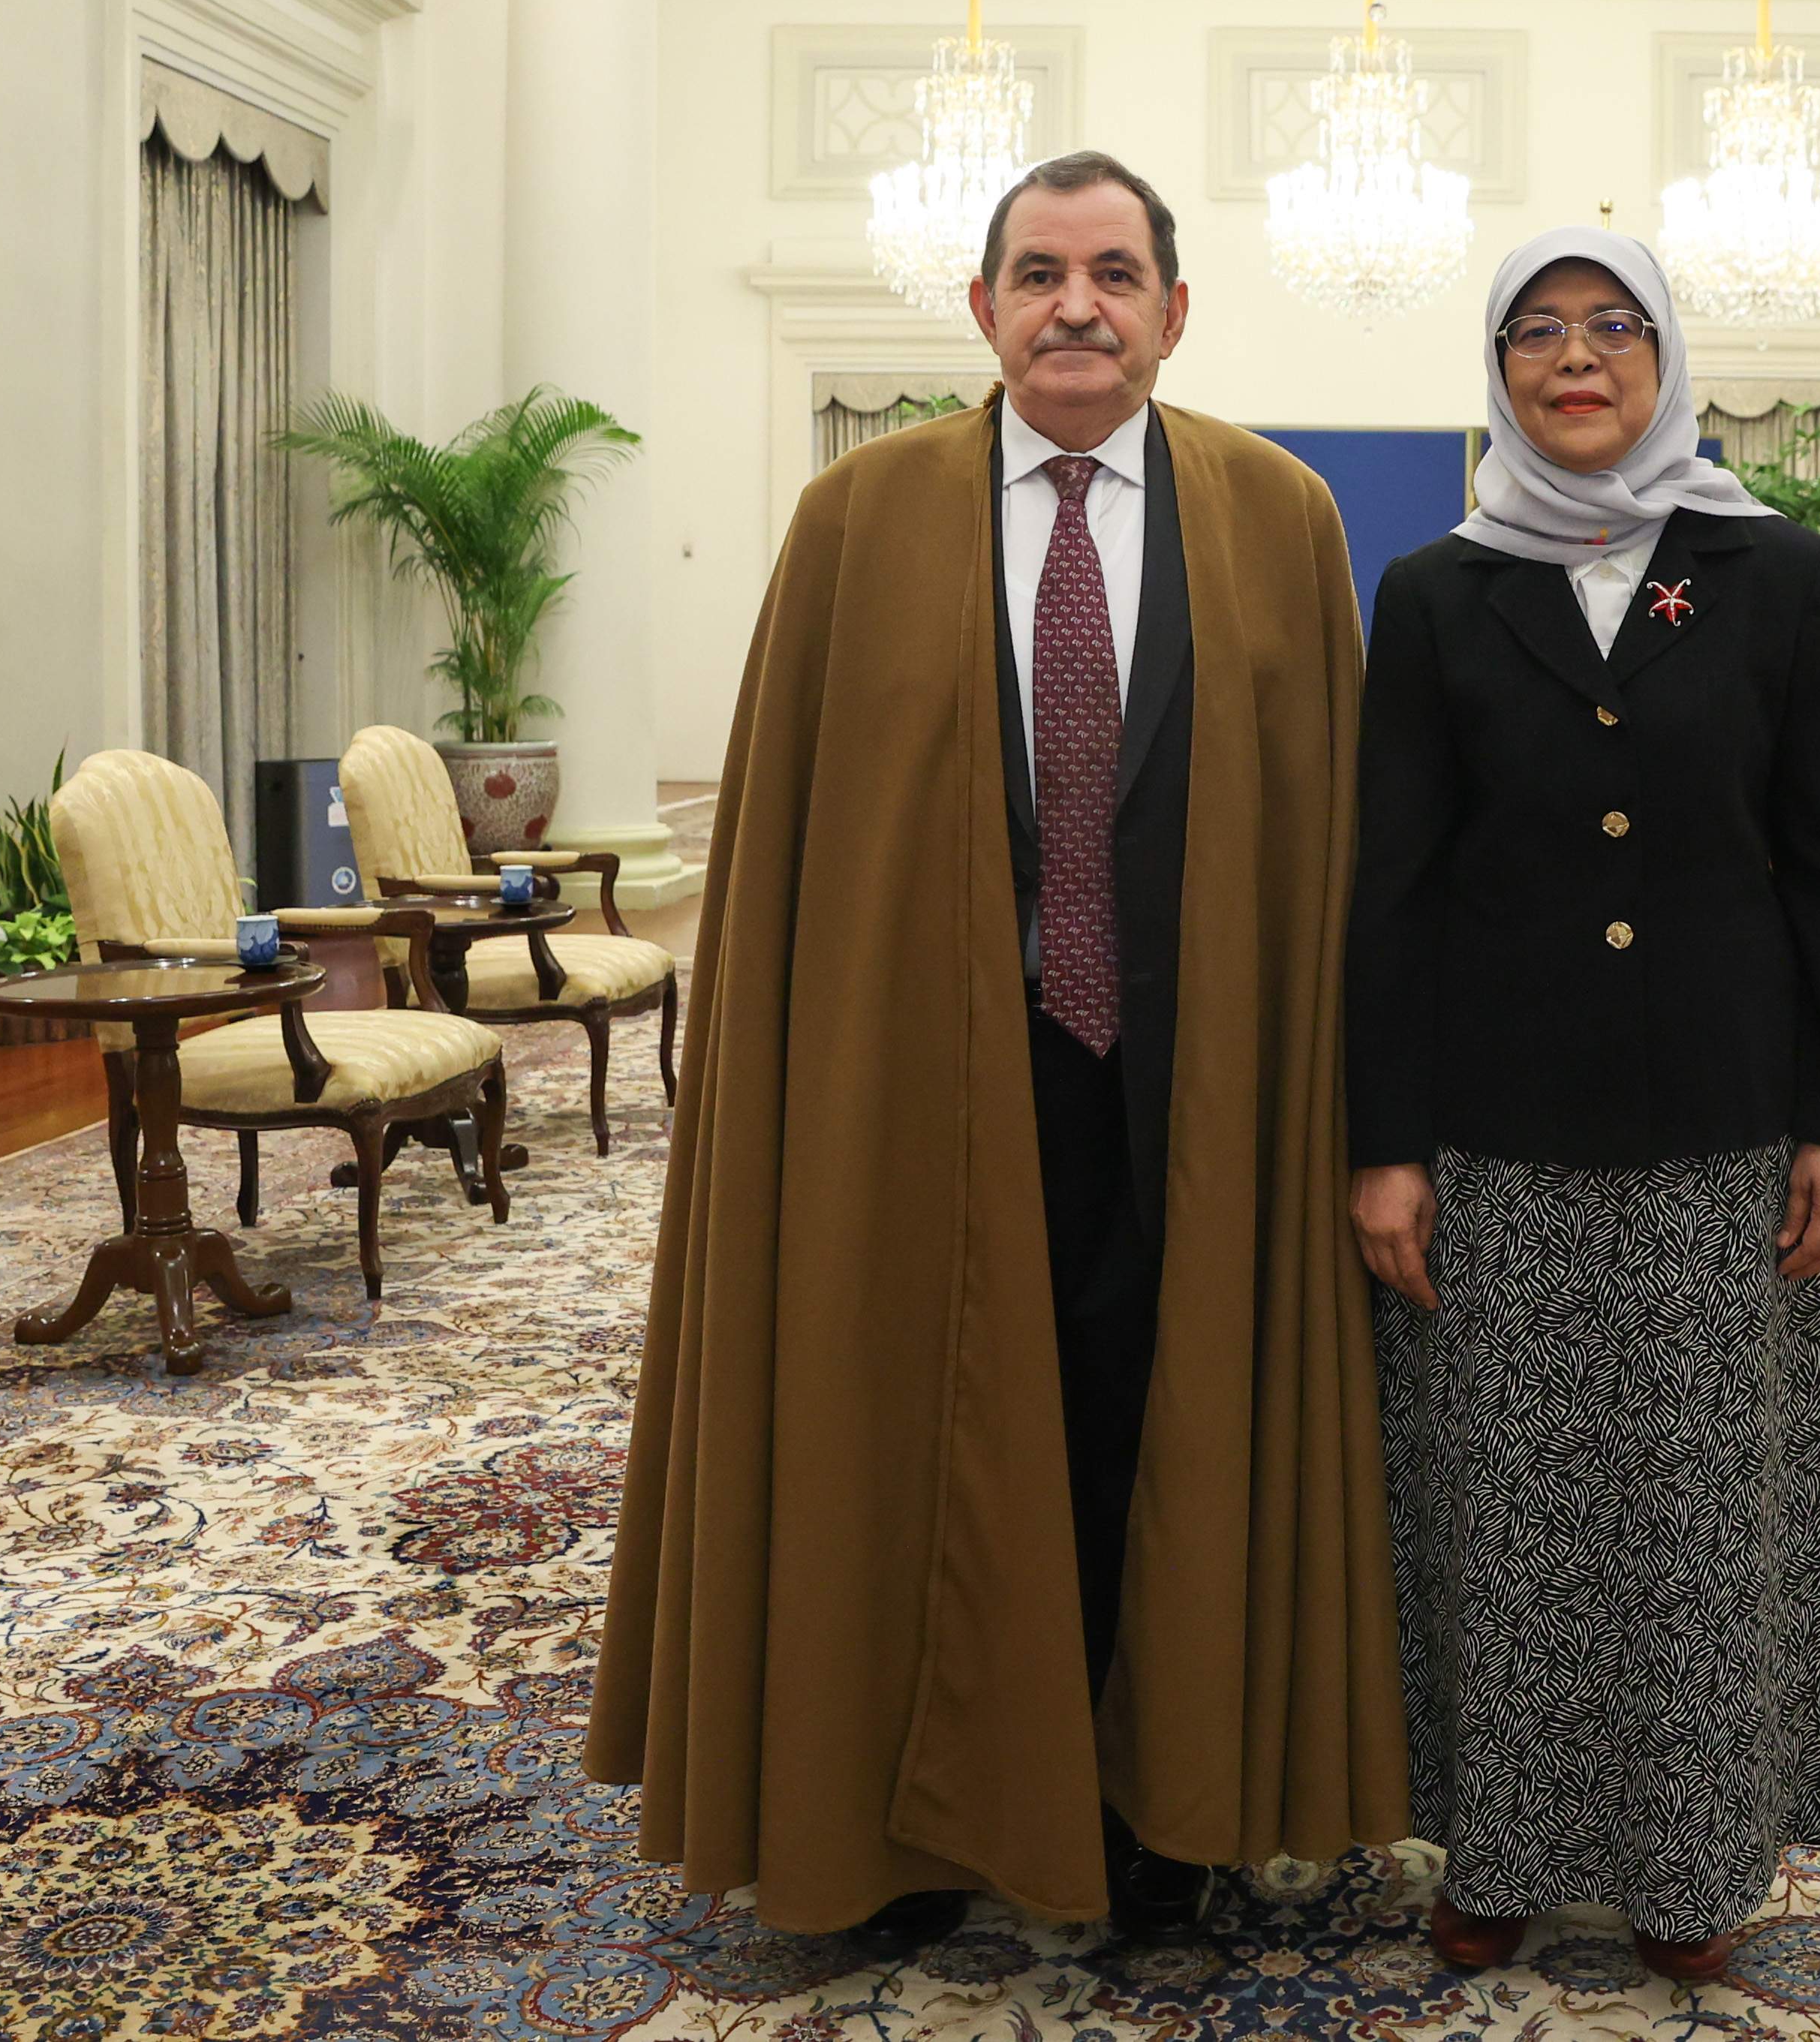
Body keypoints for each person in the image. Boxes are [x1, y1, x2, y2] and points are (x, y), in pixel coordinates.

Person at [589, 150, 1410, 1950]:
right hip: (917, 1075)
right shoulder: (857, 519)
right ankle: (906, 1825)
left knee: (1155, 1425)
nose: (1076, 306)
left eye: (1114, 273)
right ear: (980, 307)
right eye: (1039, 273)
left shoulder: (1279, 518)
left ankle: (1162, 1806)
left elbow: (1333, 837)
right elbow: (791, 844)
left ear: (1174, 310)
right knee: (913, 1434)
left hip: (1195, 1081)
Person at [1343, 226, 1820, 1981]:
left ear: (1663, 358)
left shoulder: (1776, 572)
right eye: (1535, 331)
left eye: (1609, 327)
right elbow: (1389, 887)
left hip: (1721, 1120)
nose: (1573, 358)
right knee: (1504, 1504)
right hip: (1493, 1124)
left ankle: (1693, 1858)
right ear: (1497, 368)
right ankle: (1498, 1847)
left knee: (1698, 1510)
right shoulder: (1433, 590)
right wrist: (1383, 1143)